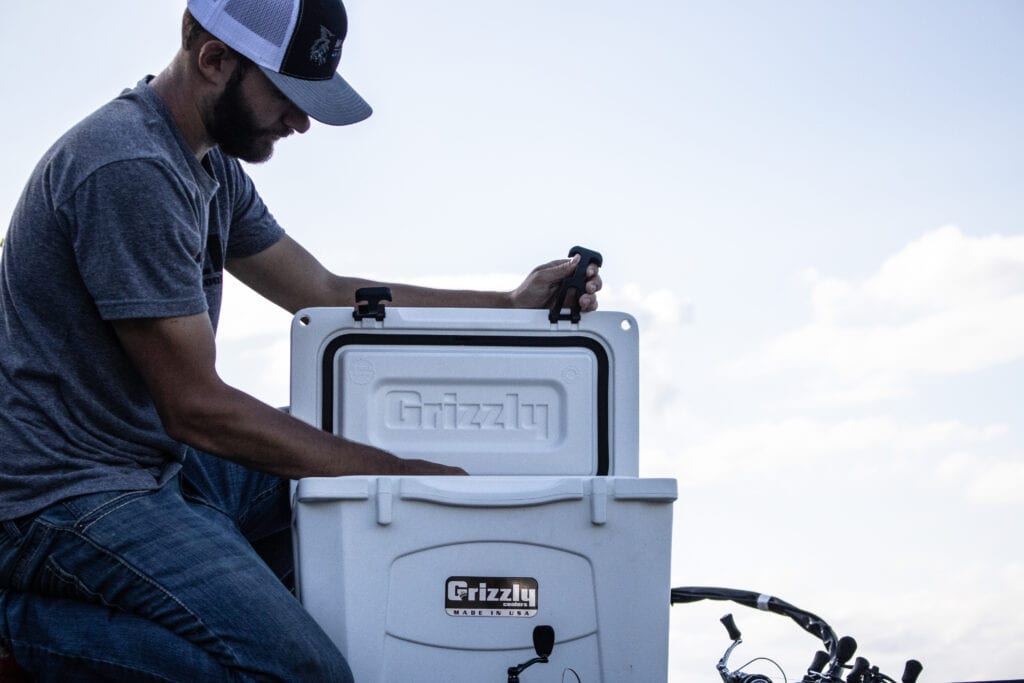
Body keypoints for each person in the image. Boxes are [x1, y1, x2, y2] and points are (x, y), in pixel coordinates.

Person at [0, 0, 601, 679]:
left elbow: (322, 289)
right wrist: (398, 476)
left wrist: (507, 304)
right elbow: (197, 407)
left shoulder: (208, 168)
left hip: (154, 462)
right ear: (215, 60)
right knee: (303, 673)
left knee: (333, 485)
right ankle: (24, 629)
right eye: (287, 95)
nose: (302, 121)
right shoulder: (128, 167)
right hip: (59, 496)